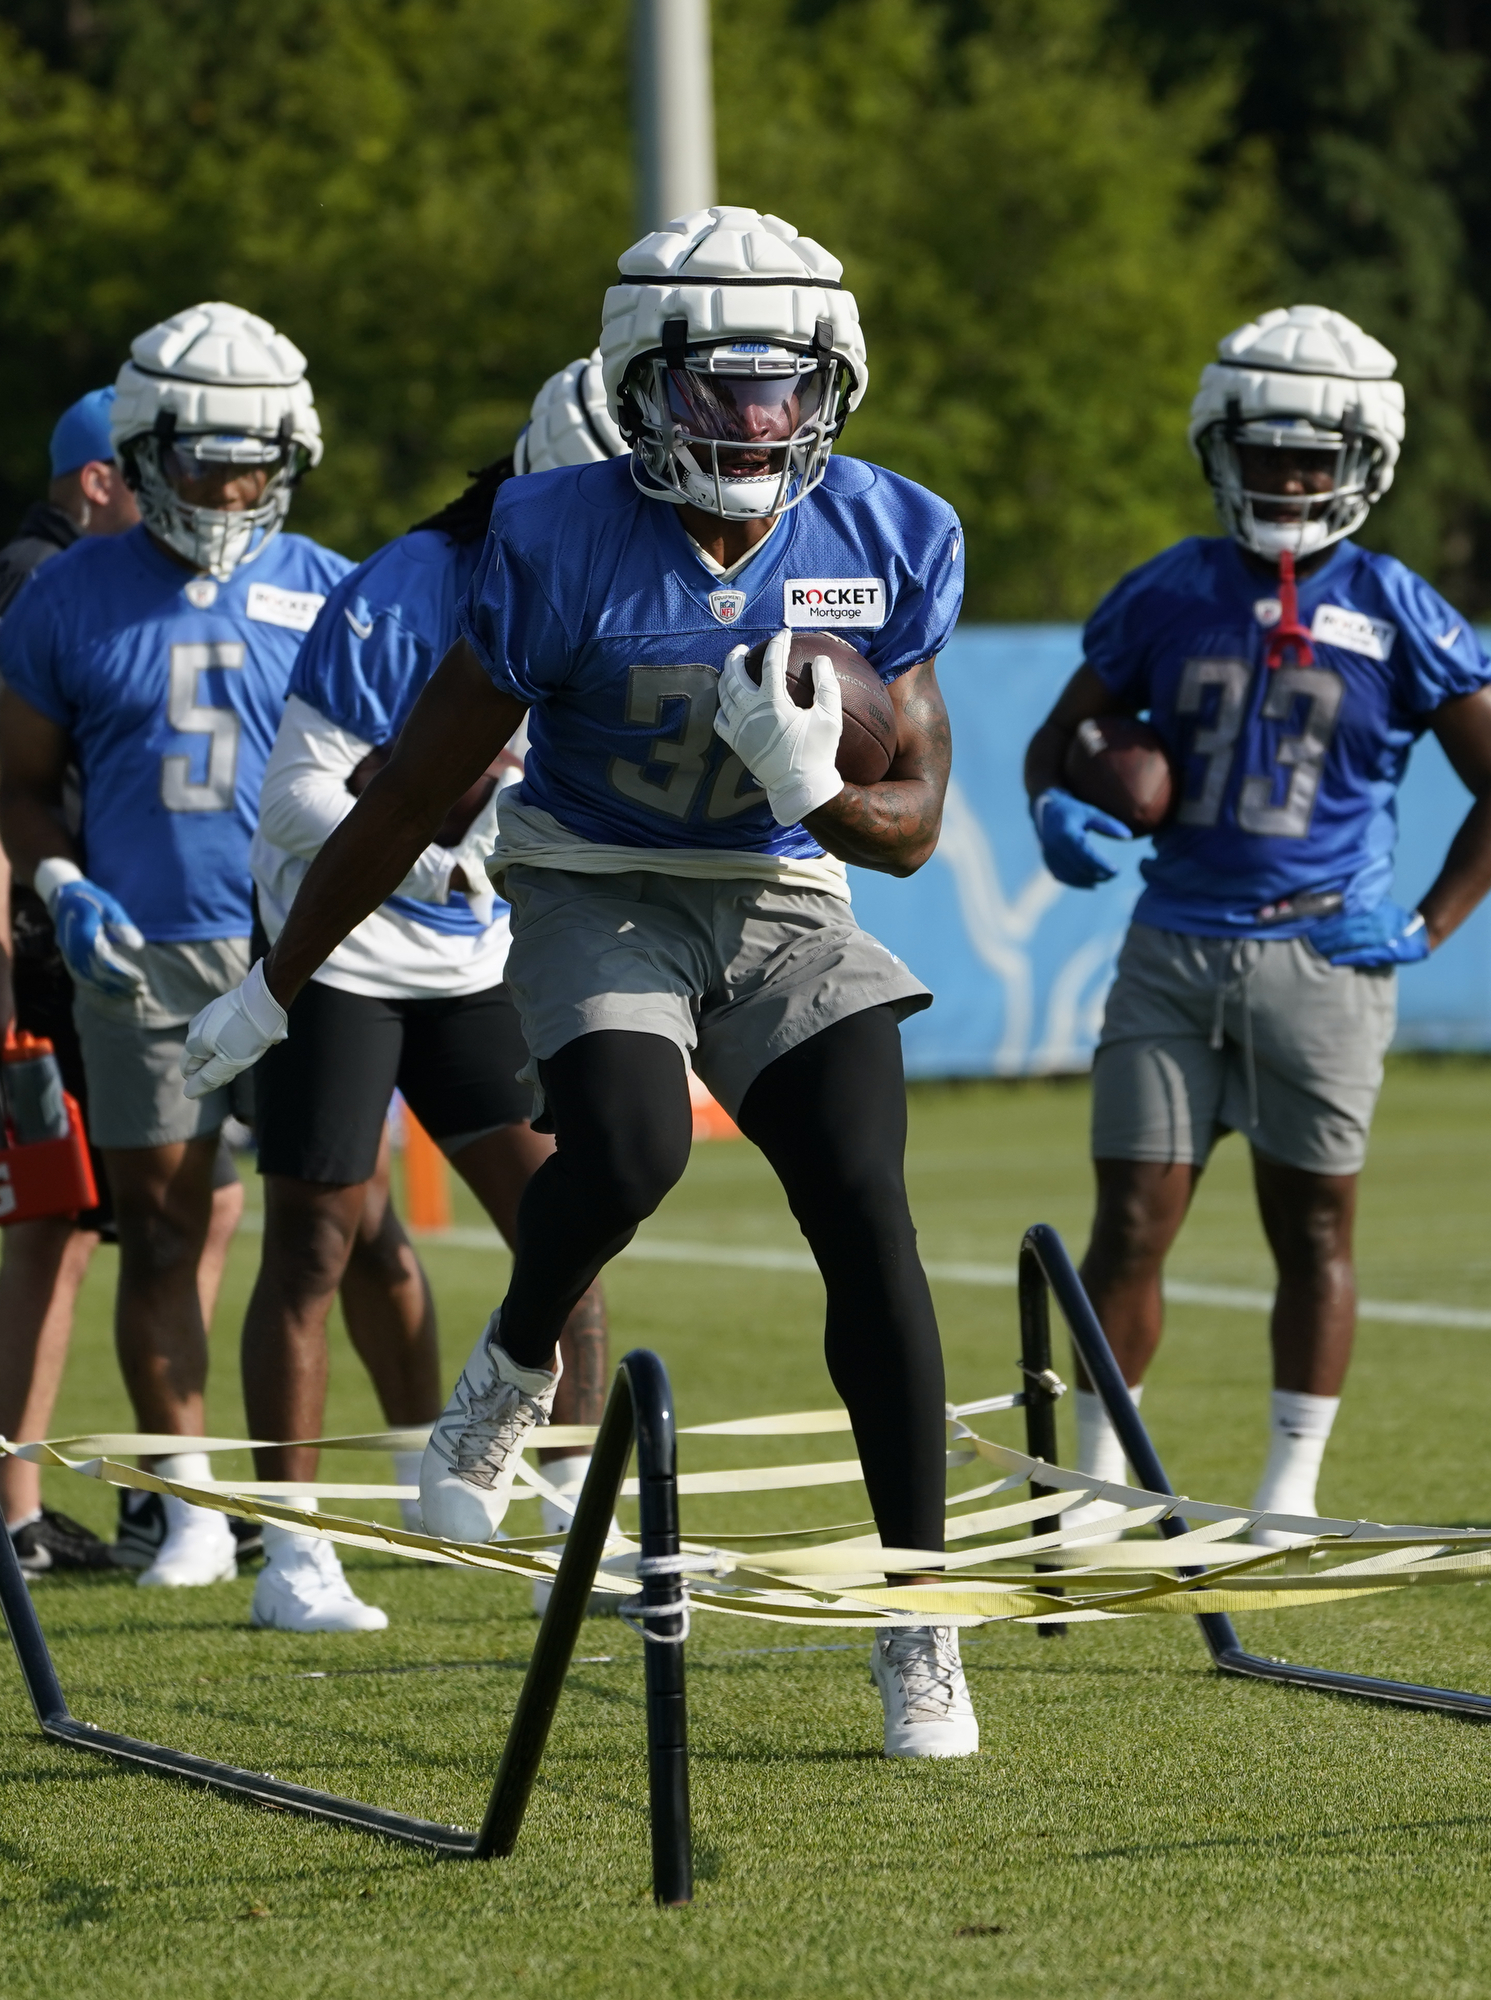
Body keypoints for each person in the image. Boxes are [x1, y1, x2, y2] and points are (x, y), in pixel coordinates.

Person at [183, 209, 982, 1758]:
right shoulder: (556, 539)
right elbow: (410, 795)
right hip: (594, 882)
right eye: (718, 387)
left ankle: (919, 1616)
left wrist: (813, 787)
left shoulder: (889, 534)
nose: (755, 422)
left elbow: (910, 836)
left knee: (867, 1204)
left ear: (834, 385)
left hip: (783, 890)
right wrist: (280, 982)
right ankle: (514, 1358)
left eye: (783, 386)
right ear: (640, 383)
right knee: (629, 1142)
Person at [1020, 306, 1491, 1537]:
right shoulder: (1167, 590)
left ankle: (1289, 1488)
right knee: (1132, 1218)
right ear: (1223, 445)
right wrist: (1062, 807)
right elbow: (1057, 742)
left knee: (1312, 1226)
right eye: (1269, 451)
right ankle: (1105, 1474)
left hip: (1324, 947)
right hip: (1175, 942)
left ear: (1364, 461)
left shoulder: (1399, 604)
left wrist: (1424, 924)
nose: (1292, 476)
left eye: (1316, 455)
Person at [237, 352, 623, 1632]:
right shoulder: (410, 584)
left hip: (478, 962)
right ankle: (292, 1554)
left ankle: (576, 1512)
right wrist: (444, 842)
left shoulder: (638, 582)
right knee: (315, 1240)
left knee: (572, 1225)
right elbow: (296, 790)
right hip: (344, 948)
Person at [0, 301, 352, 1589]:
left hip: (306, 950)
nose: (231, 485)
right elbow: (20, 783)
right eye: (205, 459)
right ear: (145, 451)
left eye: (253, 459)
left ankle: (308, 1519)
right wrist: (56, 881)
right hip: (141, 951)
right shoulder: (68, 594)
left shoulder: (329, 587)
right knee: (157, 1228)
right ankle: (192, 1498)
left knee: (329, 1223)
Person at [0, 388, 261, 1582]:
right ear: (103, 480)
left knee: (180, 1207)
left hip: (88, 942)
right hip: (50, 947)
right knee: (60, 1231)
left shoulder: (66, 581)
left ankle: (159, 1491)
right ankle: (14, 1512)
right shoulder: (38, 585)